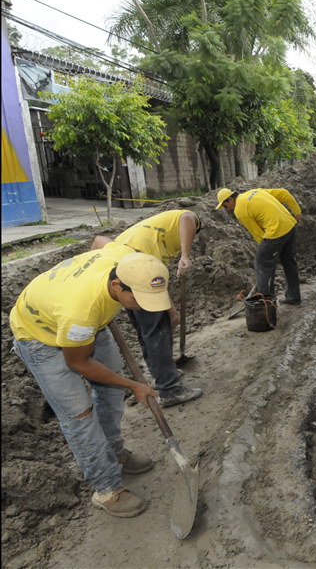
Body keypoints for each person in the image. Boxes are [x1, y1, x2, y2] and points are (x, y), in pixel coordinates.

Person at [9, 251, 171, 518]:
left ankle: (115, 453)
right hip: (40, 336)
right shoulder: (81, 311)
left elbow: (104, 242)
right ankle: (106, 490)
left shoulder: (122, 257)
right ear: (117, 285)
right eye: (139, 299)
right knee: (79, 414)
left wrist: (125, 383)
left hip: (84, 321)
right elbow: (79, 363)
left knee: (111, 388)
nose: (143, 306)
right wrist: (134, 385)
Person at [91, 210, 203, 408]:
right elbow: (188, 218)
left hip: (122, 275)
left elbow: (99, 241)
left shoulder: (150, 233)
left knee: (147, 330)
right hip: (137, 275)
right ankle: (170, 389)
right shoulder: (185, 219)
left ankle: (159, 373)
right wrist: (185, 256)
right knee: (158, 331)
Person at [216, 187, 303, 305]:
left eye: (225, 206)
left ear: (230, 200)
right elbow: (284, 193)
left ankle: (266, 304)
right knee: (288, 261)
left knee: (261, 263)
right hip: (290, 226)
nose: (227, 210)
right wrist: (297, 212)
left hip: (276, 231)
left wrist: (267, 252)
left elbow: (257, 234)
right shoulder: (255, 191)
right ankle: (294, 296)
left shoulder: (240, 210)